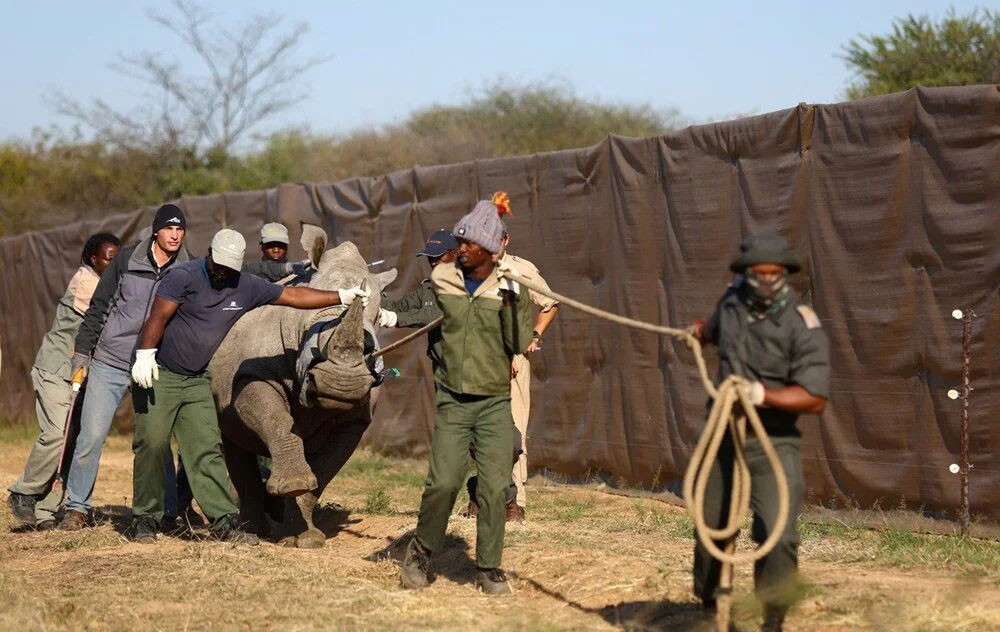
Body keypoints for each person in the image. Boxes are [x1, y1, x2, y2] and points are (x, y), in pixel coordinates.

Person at [126, 228, 370, 544]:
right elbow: (158, 316)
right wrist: (145, 353)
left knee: (207, 450)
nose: (221, 273)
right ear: (209, 253)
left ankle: (224, 522)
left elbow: (294, 296)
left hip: (198, 379)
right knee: (152, 445)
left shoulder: (244, 285)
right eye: (218, 265)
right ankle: (145, 518)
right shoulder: (182, 277)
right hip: (163, 373)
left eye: (230, 268)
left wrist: (340, 296)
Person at [690, 233, 830, 632]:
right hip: (723, 434)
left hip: (773, 439)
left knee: (779, 532)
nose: (767, 280)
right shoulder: (731, 304)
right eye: (759, 273)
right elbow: (713, 329)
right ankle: (710, 606)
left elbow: (815, 397)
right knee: (711, 524)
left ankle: (773, 618)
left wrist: (761, 394)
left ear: (785, 275)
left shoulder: (802, 324)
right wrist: (699, 332)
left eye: (775, 273)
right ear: (746, 275)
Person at [399, 195, 535, 595]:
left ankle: (489, 567)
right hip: (455, 402)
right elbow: (416, 309)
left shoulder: (512, 286)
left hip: (494, 401)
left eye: (469, 243)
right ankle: (420, 553)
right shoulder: (443, 281)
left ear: (490, 249)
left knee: (494, 488)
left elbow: (518, 341)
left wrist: (511, 299)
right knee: (444, 483)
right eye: (460, 242)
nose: (461, 248)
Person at [379, 229, 525, 521]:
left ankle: (479, 489)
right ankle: (508, 503)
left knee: (508, 442)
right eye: (429, 259)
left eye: (438, 257)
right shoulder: (428, 288)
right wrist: (371, 297)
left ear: (455, 254)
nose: (433, 263)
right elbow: (398, 306)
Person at [59, 205, 189, 531]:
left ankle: (167, 512)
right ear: (156, 230)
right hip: (110, 360)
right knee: (90, 436)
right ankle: (77, 508)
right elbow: (99, 307)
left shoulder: (187, 269)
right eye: (169, 228)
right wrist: (83, 352)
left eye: (180, 229)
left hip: (153, 365)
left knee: (156, 441)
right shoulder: (127, 260)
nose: (175, 234)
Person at [6, 233, 121, 529]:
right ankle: (23, 492)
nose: (113, 262)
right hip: (56, 370)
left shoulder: (108, 282)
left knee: (72, 441)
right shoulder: (86, 281)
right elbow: (107, 316)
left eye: (116, 257)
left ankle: (46, 512)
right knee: (57, 435)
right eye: (108, 257)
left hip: (81, 374)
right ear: (93, 259)